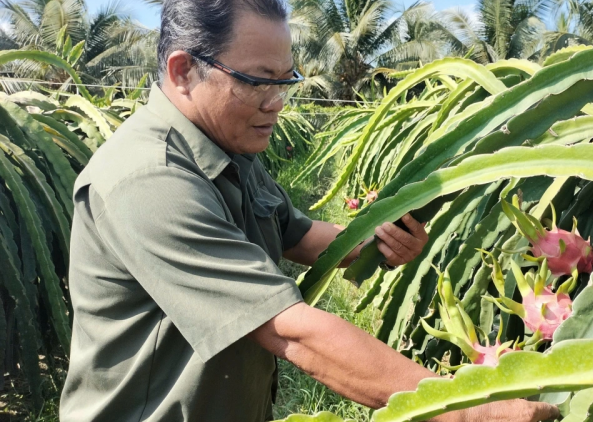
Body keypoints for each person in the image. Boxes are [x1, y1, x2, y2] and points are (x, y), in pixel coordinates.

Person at [59, 0, 560, 421]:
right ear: (184, 71)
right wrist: (467, 408)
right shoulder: (149, 179)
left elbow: (297, 235)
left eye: (285, 80)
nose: (277, 102)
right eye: (257, 81)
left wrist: (377, 241)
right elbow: (289, 330)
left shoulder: (228, 148)